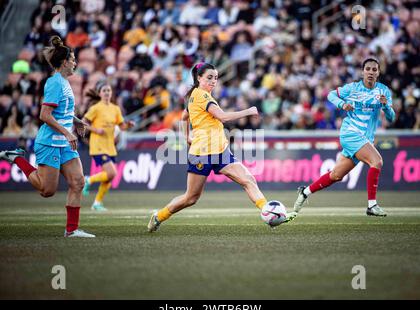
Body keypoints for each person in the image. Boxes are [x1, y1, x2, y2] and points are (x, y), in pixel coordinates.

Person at [147, 62, 294, 232]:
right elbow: (222, 117)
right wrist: (249, 111)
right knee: (191, 198)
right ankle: (159, 216)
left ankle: (268, 212)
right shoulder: (203, 97)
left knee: (248, 180)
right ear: (199, 78)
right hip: (202, 153)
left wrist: (187, 136)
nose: (213, 81)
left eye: (216, 78)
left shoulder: (195, 95)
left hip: (221, 151)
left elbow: (184, 115)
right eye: (209, 77)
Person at [0, 36, 95, 237]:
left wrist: (75, 121)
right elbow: (44, 115)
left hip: (65, 144)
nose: (76, 63)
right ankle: (16, 158)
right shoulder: (54, 83)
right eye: (73, 59)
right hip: (50, 142)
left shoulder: (65, 82)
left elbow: (63, 111)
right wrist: (68, 131)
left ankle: (72, 230)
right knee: (47, 191)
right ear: (64, 62)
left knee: (78, 182)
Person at [293, 58, 395, 217]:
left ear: (378, 73)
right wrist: (342, 104)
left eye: (374, 70)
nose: (370, 72)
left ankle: (305, 192)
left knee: (336, 175)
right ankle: (372, 205)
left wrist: (386, 106)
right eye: (367, 69)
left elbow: (391, 118)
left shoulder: (383, 91)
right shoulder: (353, 88)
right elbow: (331, 95)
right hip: (350, 133)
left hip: (365, 138)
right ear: (363, 72)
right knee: (377, 161)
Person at [81, 82, 134, 211]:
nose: (106, 93)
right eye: (104, 90)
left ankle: (97, 203)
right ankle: (88, 180)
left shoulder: (115, 108)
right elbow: (82, 123)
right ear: (99, 93)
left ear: (111, 93)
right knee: (112, 173)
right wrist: (95, 129)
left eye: (108, 90)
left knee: (109, 176)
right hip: (98, 145)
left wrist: (128, 125)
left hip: (110, 146)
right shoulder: (95, 108)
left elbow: (121, 126)